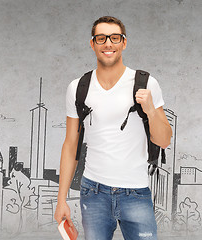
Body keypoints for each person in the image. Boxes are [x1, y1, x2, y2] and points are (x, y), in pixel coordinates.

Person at [54, 16, 172, 240]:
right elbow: (70, 145)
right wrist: (61, 200)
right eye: (101, 38)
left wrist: (151, 109)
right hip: (94, 193)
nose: (108, 44)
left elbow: (164, 140)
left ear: (123, 43)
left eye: (114, 38)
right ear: (93, 44)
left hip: (136, 193)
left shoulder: (146, 83)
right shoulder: (78, 87)